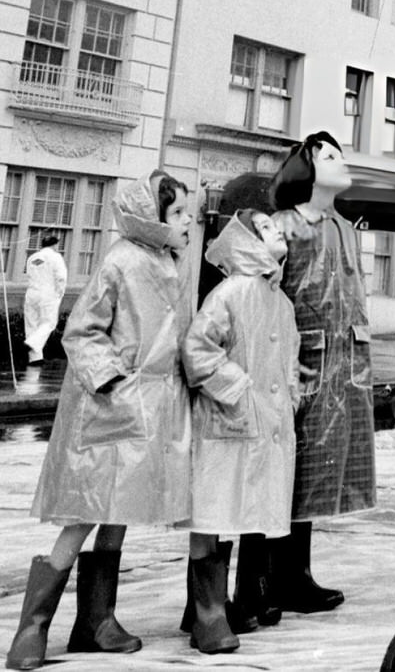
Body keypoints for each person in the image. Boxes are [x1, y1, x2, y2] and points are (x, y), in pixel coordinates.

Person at [6, 172, 193, 672]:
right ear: (151, 219)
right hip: (110, 406)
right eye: (177, 214)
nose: (187, 222)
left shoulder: (167, 263)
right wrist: (112, 382)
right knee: (85, 512)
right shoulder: (122, 260)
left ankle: (96, 620)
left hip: (146, 406)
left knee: (119, 507)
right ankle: (33, 628)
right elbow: (83, 330)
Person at [180, 206, 299, 654]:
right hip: (227, 419)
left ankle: (205, 607)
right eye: (266, 228)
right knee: (211, 509)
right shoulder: (231, 292)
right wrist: (239, 387)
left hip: (261, 424)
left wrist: (288, 396)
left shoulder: (280, 301)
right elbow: (198, 350)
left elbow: (287, 360)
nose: (278, 232)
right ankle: (207, 613)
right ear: (247, 240)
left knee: (238, 507)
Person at [266, 132, 375, 612]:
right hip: (296, 361)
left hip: (344, 365)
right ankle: (267, 579)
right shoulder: (282, 226)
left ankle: (296, 573)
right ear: (305, 169)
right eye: (329, 155)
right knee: (284, 468)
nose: (340, 161)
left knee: (317, 470)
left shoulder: (345, 229)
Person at [23, 230, 67, 366]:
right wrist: (59, 293)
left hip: (32, 292)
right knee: (49, 323)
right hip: (48, 293)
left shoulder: (32, 257)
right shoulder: (55, 257)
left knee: (32, 324)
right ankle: (32, 343)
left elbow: (29, 274)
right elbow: (61, 277)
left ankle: (35, 358)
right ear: (55, 245)